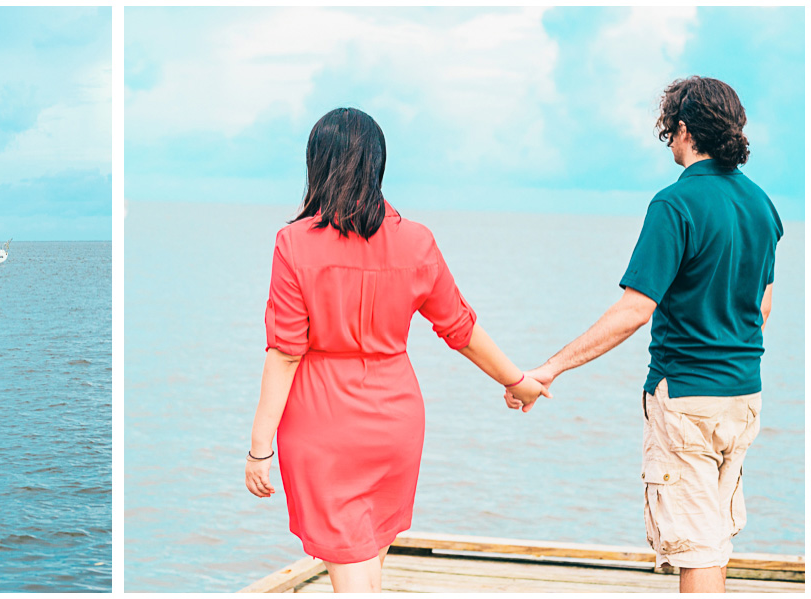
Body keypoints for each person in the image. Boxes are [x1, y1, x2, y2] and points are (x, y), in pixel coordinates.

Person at [245, 107, 550, 593]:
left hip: (323, 422)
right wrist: (516, 380)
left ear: (316, 164)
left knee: (351, 574)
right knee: (368, 566)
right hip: (394, 421)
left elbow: (284, 353)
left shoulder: (294, 243)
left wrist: (259, 448)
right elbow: (461, 329)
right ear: (377, 164)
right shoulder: (416, 241)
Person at [510, 76, 783, 593]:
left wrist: (550, 367)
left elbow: (635, 309)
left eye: (670, 132)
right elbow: (763, 304)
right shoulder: (761, 204)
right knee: (713, 536)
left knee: (696, 547)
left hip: (686, 396)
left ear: (682, 129)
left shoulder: (674, 205)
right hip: (744, 395)